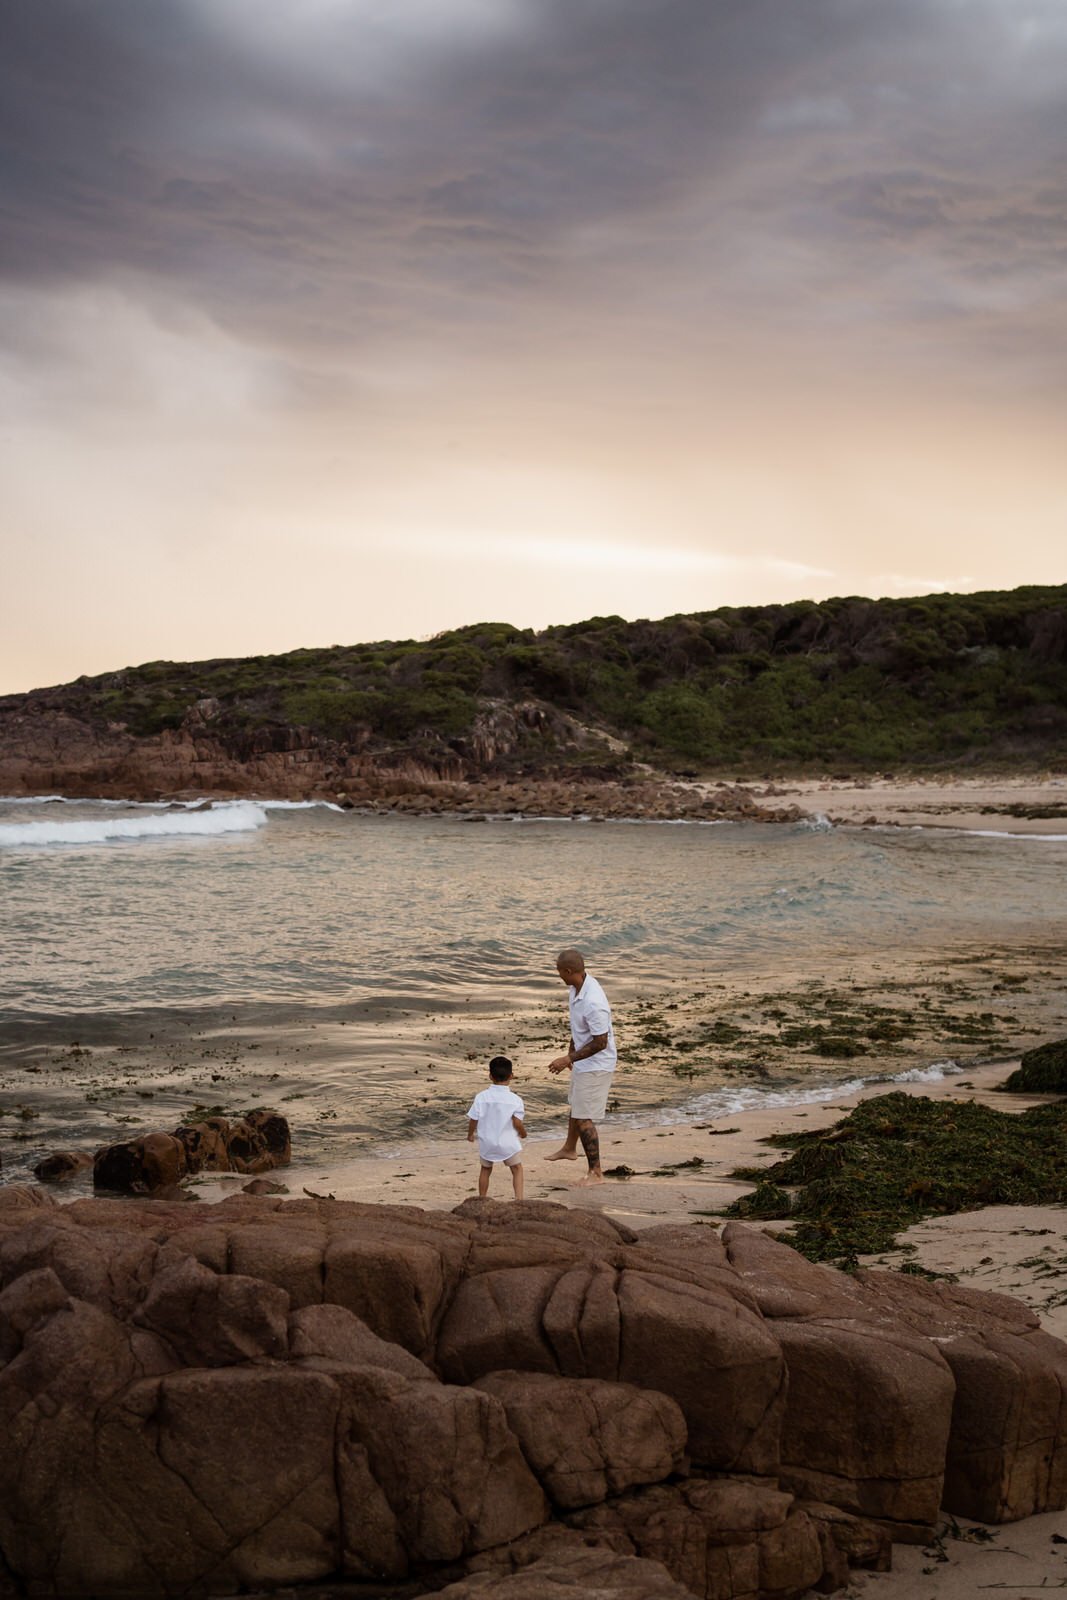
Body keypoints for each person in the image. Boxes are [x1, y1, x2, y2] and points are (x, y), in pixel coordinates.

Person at [545, 948, 616, 1185]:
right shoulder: (576, 988)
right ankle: (569, 1148)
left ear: (568, 971)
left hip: (597, 1064)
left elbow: (601, 1042)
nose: (559, 978)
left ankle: (596, 1172)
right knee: (576, 1106)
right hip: (583, 1060)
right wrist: (570, 1052)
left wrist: (569, 1059)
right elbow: (579, 1028)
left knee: (584, 1117)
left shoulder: (594, 1002)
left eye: (560, 973)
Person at [466, 1054, 527, 1199]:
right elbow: (517, 1123)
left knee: (486, 1169)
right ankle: (519, 1199)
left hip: (488, 1142)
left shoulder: (481, 1097)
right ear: (511, 1076)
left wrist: (470, 1134)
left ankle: (482, 1197)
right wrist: (523, 1133)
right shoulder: (515, 1100)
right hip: (508, 1143)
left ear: (490, 1076)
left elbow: (474, 1118)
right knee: (517, 1169)